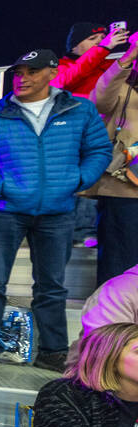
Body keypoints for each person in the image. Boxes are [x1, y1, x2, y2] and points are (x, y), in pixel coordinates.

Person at [0, 49, 113, 372]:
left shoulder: (80, 109)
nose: (22, 78)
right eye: (18, 72)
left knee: (52, 285)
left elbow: (100, 150)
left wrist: (79, 179)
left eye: (31, 71)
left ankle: (53, 351)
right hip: (5, 210)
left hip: (57, 210)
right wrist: (1, 188)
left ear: (51, 72)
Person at [88, 35, 138, 284]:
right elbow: (98, 101)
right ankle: (112, 318)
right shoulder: (123, 86)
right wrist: (127, 57)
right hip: (123, 187)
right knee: (119, 259)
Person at [55, 22, 130, 97]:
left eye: (103, 38)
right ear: (74, 47)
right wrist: (102, 48)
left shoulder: (111, 63)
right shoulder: (58, 65)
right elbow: (61, 83)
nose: (100, 42)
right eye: (92, 38)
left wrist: (134, 47)